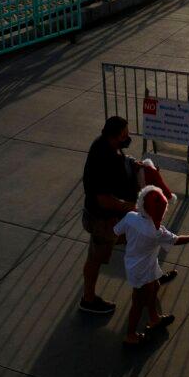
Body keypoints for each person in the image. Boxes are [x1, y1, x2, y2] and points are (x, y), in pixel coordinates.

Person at [113, 180, 189, 345]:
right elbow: (176, 240)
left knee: (154, 287)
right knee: (138, 303)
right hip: (141, 269)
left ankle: (154, 318)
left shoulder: (130, 217)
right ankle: (130, 335)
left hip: (137, 264)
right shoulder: (157, 232)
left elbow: (117, 233)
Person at [81, 116, 143, 314]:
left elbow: (120, 161)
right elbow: (103, 199)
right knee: (95, 258)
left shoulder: (108, 146)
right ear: (113, 137)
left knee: (140, 239)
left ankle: (150, 275)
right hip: (104, 220)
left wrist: (132, 165)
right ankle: (88, 299)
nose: (128, 137)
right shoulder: (103, 158)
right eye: (124, 135)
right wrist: (130, 207)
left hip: (113, 217)